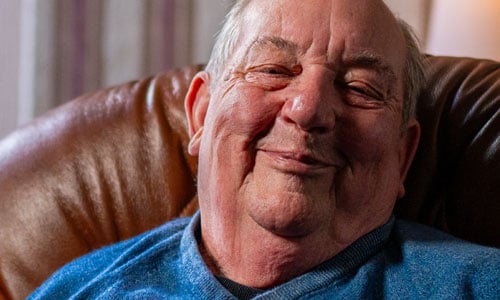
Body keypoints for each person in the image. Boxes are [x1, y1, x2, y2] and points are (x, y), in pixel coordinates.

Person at [29, 0, 499, 299]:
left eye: (360, 88)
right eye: (273, 69)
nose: (308, 107)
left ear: (403, 155)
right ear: (200, 113)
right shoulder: (79, 288)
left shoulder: (479, 285)